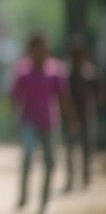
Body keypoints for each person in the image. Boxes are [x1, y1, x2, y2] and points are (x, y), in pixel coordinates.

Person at [10, 32, 77, 214]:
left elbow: (63, 98)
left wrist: (71, 119)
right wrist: (13, 119)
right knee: (28, 157)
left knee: (50, 161)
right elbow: (15, 97)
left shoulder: (55, 70)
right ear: (30, 50)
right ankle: (24, 195)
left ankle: (45, 200)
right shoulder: (22, 71)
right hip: (29, 121)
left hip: (50, 121)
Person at [64, 36, 102, 192]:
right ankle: (71, 179)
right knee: (70, 149)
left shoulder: (90, 72)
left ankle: (86, 177)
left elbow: (100, 91)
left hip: (87, 115)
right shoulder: (67, 73)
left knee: (87, 148)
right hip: (70, 116)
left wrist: (94, 107)